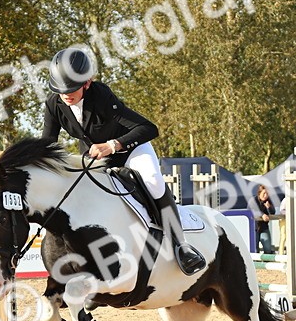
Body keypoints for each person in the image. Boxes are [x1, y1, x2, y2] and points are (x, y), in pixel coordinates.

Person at [40, 47, 205, 274]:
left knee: (154, 181)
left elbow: (148, 128)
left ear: (87, 83)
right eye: (61, 90)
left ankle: (182, 246)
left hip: (130, 150)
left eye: (72, 89)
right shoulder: (54, 104)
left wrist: (113, 145)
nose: (66, 95)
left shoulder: (101, 96)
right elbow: (47, 144)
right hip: (96, 157)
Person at [254, 184, 277, 254]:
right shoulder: (253, 200)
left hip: (264, 227)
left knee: (267, 248)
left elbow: (273, 212)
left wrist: (268, 207)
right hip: (254, 228)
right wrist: (262, 214)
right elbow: (252, 210)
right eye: (264, 193)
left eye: (267, 194)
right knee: (254, 249)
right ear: (259, 193)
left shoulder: (268, 201)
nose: (266, 195)